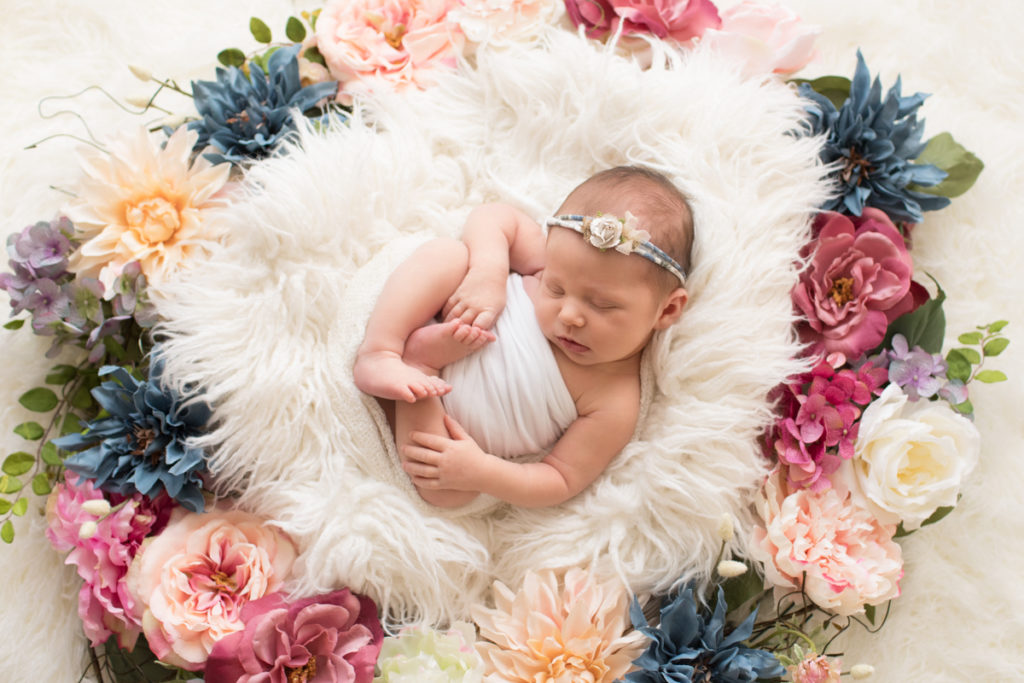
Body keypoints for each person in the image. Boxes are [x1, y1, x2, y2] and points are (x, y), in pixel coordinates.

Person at [353, 166, 693, 508]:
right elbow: (495, 217)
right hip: (440, 315)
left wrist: (480, 470)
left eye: (602, 305)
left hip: (441, 428)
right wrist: (489, 272)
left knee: (451, 493)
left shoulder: (615, 400)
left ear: (666, 311)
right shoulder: (553, 259)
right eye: (555, 289)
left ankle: (418, 362)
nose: (569, 315)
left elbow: (560, 479)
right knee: (448, 254)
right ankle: (380, 351)